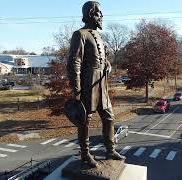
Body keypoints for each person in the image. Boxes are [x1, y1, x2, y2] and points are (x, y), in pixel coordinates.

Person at [67, 1, 126, 168]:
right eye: (100, 13)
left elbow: (104, 60)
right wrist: (77, 89)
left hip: (102, 85)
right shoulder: (80, 34)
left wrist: (108, 65)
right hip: (87, 85)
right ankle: (85, 154)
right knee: (84, 120)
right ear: (92, 14)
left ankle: (110, 150)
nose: (102, 16)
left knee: (109, 117)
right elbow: (74, 63)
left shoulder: (99, 36)